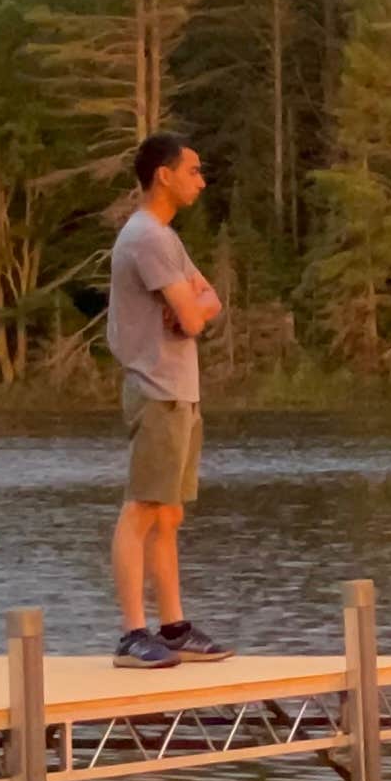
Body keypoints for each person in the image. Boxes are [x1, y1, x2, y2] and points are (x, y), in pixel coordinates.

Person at [106, 131, 233, 669]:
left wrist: (195, 305)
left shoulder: (166, 237)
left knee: (169, 513)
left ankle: (173, 626)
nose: (200, 181)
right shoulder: (147, 239)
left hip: (181, 391)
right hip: (156, 388)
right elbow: (192, 316)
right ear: (164, 174)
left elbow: (212, 300)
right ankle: (133, 633)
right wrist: (192, 307)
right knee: (141, 509)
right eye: (193, 171)